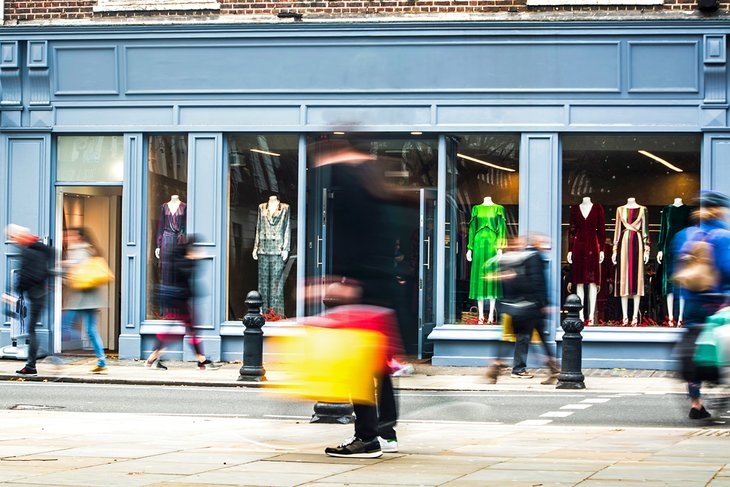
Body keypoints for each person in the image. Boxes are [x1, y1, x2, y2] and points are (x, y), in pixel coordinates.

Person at [309, 138, 406, 459]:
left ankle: (366, 437)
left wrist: (340, 280)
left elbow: (352, 238)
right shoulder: (374, 179)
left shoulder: (350, 181)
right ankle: (386, 430)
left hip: (361, 286)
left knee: (358, 362)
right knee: (377, 362)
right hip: (381, 285)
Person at [672, 190, 730, 420]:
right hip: (716, 303)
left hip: (691, 303)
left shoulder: (685, 236)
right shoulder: (722, 236)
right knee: (721, 349)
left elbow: (676, 272)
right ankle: (723, 391)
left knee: (694, 349)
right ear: (718, 210)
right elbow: (727, 270)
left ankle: (696, 403)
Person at [486, 234, 559, 385]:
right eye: (544, 241)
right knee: (528, 338)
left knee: (515, 339)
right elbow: (537, 282)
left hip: (517, 307)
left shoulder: (509, 259)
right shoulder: (533, 258)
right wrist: (543, 304)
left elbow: (508, 285)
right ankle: (551, 368)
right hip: (531, 307)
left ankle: (497, 367)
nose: (548, 244)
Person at [145, 234, 215, 370]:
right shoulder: (180, 260)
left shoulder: (178, 257)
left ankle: (153, 358)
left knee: (186, 329)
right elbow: (185, 273)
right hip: (179, 299)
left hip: (178, 299)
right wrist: (194, 259)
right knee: (190, 329)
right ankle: (200, 359)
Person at [4, 224, 54, 376]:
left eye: (13, 237)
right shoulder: (40, 248)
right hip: (39, 293)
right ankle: (31, 365)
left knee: (31, 330)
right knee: (31, 329)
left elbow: (28, 275)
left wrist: (15, 293)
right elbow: (43, 270)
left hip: (36, 294)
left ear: (20, 236)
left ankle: (31, 366)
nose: (13, 241)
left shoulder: (29, 251)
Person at [62, 228, 108, 373]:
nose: (68, 237)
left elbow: (76, 271)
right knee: (91, 330)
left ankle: (56, 358)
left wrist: (62, 267)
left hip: (80, 298)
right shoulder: (92, 250)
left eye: (71, 235)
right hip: (91, 298)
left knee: (63, 326)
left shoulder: (79, 251)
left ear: (79, 237)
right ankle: (101, 361)